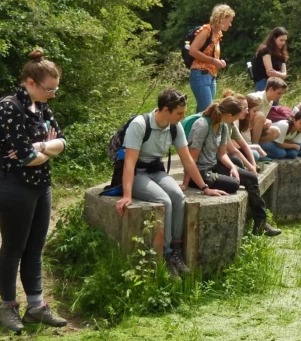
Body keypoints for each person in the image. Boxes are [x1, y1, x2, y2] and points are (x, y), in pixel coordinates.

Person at [0, 49, 68, 332]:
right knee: (13, 248)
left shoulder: (42, 106)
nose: (53, 94)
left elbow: (62, 141)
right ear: (30, 82)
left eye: (55, 89)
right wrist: (44, 149)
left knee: (35, 248)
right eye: (49, 89)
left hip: (39, 186)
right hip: (12, 187)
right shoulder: (9, 108)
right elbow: (24, 158)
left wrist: (42, 148)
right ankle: (7, 308)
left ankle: (36, 307)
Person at [116, 89, 226, 276]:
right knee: (164, 201)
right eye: (179, 113)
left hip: (156, 170)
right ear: (165, 110)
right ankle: (165, 254)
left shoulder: (175, 127)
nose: (183, 117)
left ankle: (176, 250)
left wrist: (205, 187)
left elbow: (188, 161)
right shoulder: (140, 124)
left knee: (177, 195)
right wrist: (127, 195)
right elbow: (129, 162)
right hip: (137, 174)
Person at [186, 97, 281, 237]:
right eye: (236, 117)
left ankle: (260, 224)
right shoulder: (203, 125)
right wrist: (186, 183)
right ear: (230, 115)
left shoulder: (223, 125)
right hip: (199, 172)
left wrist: (233, 168)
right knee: (233, 185)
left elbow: (223, 154)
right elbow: (191, 158)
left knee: (251, 178)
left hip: (213, 165)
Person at [187, 4, 235, 113]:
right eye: (229, 21)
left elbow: (210, 54)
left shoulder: (217, 34)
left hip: (211, 76)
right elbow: (193, 51)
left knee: (201, 113)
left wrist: (219, 61)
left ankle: (190, 129)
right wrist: (213, 61)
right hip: (200, 74)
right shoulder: (206, 30)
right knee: (209, 112)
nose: (230, 24)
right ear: (222, 18)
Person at [248, 77, 287, 144]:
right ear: (271, 89)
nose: (280, 96)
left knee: (276, 132)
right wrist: (264, 120)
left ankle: (252, 144)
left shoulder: (270, 101)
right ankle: (254, 145)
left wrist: (266, 121)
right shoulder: (257, 98)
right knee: (260, 116)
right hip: (244, 129)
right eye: (279, 93)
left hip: (253, 130)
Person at [233, 93, 269, 163]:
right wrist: (255, 147)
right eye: (254, 111)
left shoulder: (243, 121)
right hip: (226, 153)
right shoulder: (235, 120)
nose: (246, 112)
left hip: (233, 151)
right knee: (255, 154)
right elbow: (235, 146)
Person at [250, 27, 288, 93]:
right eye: (281, 40)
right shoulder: (265, 50)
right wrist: (280, 74)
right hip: (264, 83)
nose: (283, 43)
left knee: (275, 103)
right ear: (274, 39)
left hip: (276, 84)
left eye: (285, 40)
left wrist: (276, 73)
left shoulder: (281, 54)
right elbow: (270, 72)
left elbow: (285, 74)